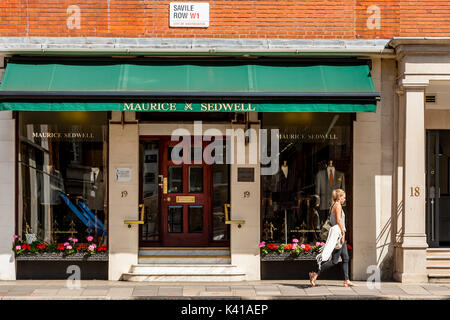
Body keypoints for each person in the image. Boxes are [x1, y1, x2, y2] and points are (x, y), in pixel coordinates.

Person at [309, 189, 355, 287]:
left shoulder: (333, 205)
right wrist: (343, 233)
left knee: (345, 257)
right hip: (338, 236)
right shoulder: (338, 206)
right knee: (334, 261)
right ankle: (315, 274)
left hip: (338, 235)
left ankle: (346, 280)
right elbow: (338, 221)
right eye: (343, 197)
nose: (345, 199)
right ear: (339, 197)